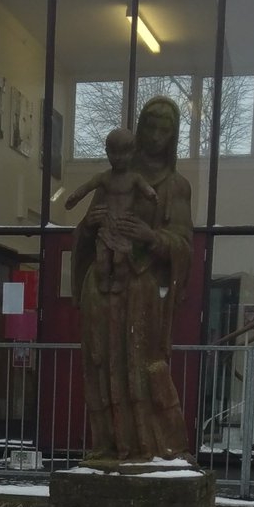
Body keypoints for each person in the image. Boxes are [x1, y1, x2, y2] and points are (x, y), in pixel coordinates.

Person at [71, 96, 193, 462]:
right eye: (150, 127)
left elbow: (184, 245)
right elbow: (85, 231)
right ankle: (107, 442)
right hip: (103, 285)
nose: (156, 136)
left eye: (164, 129)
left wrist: (151, 236)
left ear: (172, 136)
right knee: (100, 360)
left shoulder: (175, 186)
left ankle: (149, 444)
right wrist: (89, 227)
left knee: (141, 365)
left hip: (140, 290)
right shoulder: (112, 178)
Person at [64, 127, 157, 295]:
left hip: (123, 228)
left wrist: (151, 194)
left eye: (124, 153)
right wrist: (75, 197)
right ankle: (104, 280)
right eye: (114, 153)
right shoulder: (104, 178)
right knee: (102, 259)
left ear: (133, 151)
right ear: (107, 152)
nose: (118, 158)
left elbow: (146, 189)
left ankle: (120, 281)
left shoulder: (134, 178)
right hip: (107, 226)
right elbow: (87, 187)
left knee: (120, 259)